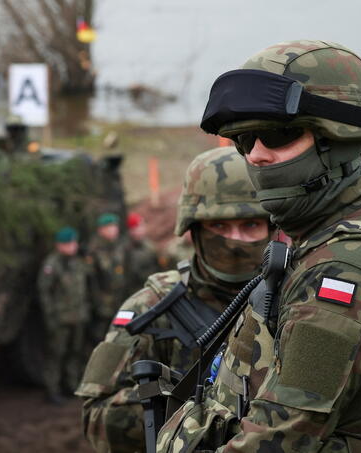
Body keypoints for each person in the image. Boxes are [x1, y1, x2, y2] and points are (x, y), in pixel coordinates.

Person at [158, 40, 361, 453]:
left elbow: (276, 441)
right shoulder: (341, 229)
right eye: (245, 140)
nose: (256, 156)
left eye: (278, 134)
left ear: (339, 137)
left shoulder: (345, 270)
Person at [75, 146, 275, 453]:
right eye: (219, 226)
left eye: (250, 225)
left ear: (271, 228)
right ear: (194, 230)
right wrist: (187, 405)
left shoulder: (293, 300)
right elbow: (96, 418)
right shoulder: (152, 306)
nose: (235, 241)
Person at [38, 226, 89, 405]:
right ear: (60, 245)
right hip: (60, 318)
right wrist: (50, 318)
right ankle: (52, 390)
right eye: (70, 243)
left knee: (75, 352)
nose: (74, 246)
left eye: (74, 243)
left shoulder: (77, 262)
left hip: (78, 316)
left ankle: (71, 385)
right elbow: (45, 293)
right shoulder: (52, 265)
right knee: (56, 354)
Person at [88, 212, 129, 342]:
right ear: (101, 230)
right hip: (101, 305)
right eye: (110, 227)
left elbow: (127, 271)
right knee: (101, 338)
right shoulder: (94, 250)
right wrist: (96, 303)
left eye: (115, 226)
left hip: (120, 300)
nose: (114, 229)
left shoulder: (121, 246)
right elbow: (91, 281)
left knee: (120, 336)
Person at [125, 211, 162, 296]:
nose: (142, 228)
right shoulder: (126, 250)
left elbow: (158, 267)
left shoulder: (150, 246)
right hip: (136, 293)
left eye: (142, 225)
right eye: (139, 226)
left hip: (153, 290)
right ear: (132, 230)